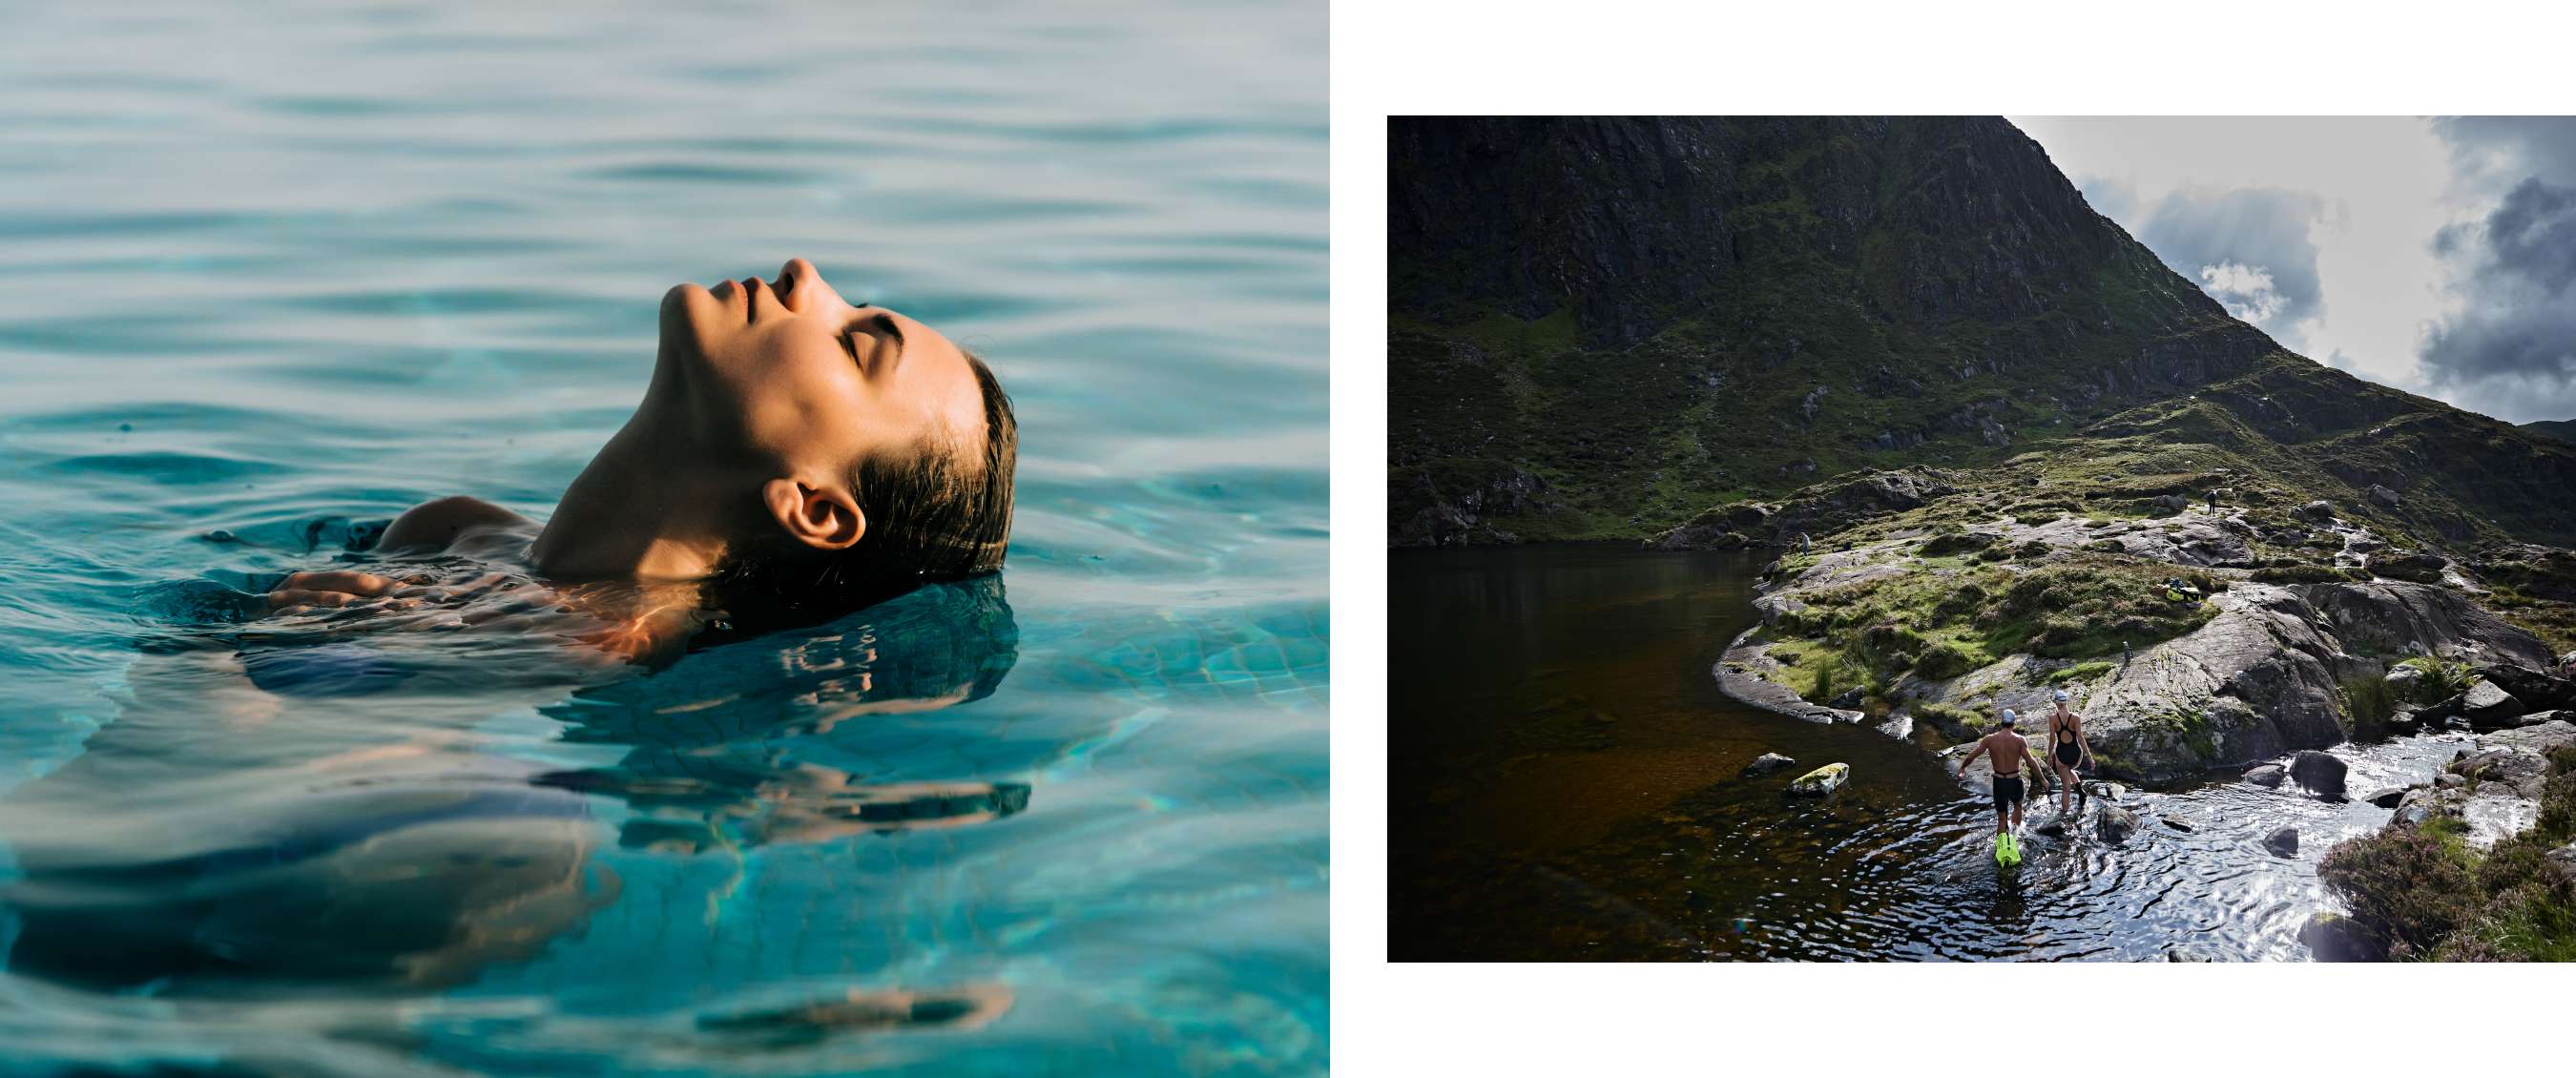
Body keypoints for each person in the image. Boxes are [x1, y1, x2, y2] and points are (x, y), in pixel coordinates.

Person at [253, 258, 1019, 663]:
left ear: (812, 507)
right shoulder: (450, 527)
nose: (803, 274)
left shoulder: (599, 644)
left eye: (854, 343)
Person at [1959, 708, 2038, 854]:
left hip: (1999, 782)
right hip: (2015, 781)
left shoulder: (1989, 739)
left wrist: (1963, 768)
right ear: (2013, 723)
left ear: (2001, 722)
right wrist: (2044, 780)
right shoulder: (2019, 740)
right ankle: (2014, 837)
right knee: (2018, 806)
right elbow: (2031, 761)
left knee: (2001, 819)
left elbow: (1972, 755)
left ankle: (2001, 850)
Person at [2046, 688, 2091, 817]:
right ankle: (2080, 789)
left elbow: (2052, 739)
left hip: (2061, 754)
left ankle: (2063, 814)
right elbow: (2081, 738)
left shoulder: (2053, 718)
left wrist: (2049, 756)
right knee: (2069, 769)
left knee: (2066, 788)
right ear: (2066, 702)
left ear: (2057, 703)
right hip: (2076, 754)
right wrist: (2090, 758)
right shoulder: (2075, 717)